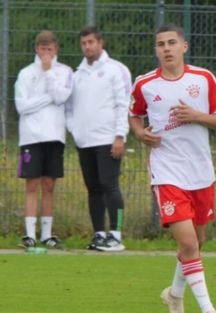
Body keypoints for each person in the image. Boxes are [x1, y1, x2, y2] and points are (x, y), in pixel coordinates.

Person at [129, 23, 216, 313]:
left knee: (197, 242)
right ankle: (208, 310)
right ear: (156, 51)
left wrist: (197, 116)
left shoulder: (203, 78)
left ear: (184, 46)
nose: (167, 48)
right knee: (187, 241)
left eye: (172, 42)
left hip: (200, 171)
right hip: (167, 170)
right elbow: (134, 115)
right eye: (161, 44)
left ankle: (174, 294)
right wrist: (139, 132)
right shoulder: (145, 84)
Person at [67, 26, 131, 251]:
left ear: (100, 43)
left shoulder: (116, 70)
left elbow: (124, 105)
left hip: (109, 139)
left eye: (91, 42)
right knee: (93, 188)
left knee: (109, 185)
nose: (87, 47)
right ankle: (99, 234)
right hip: (85, 142)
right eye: (83, 43)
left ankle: (116, 234)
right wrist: (75, 131)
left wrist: (120, 136)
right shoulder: (76, 75)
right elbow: (69, 108)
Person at [14, 30, 73, 249]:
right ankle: (29, 235)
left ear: (56, 48)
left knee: (49, 185)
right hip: (30, 137)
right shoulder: (25, 73)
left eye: (50, 49)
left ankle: (47, 235)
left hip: (55, 136)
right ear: (36, 49)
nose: (46, 53)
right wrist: (48, 98)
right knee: (32, 184)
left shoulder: (65, 72)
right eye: (42, 48)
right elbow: (22, 106)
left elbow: (61, 97)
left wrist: (49, 75)